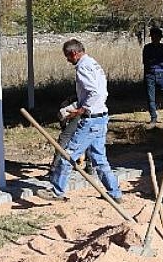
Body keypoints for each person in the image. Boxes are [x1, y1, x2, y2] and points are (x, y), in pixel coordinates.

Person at [37, 39, 123, 203]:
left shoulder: (83, 67)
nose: (67, 60)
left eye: (67, 56)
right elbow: (101, 93)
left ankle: (56, 191)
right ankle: (115, 193)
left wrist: (80, 110)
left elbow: (95, 92)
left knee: (67, 156)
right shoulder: (93, 63)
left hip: (91, 121)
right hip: (101, 117)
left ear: (74, 53)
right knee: (99, 160)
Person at [142, 26, 163, 126]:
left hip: (160, 74)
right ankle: (153, 117)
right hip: (151, 74)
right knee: (151, 97)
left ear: (160, 37)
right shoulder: (147, 48)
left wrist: (155, 63)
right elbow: (146, 62)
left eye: (157, 36)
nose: (155, 38)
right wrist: (157, 63)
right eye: (153, 36)